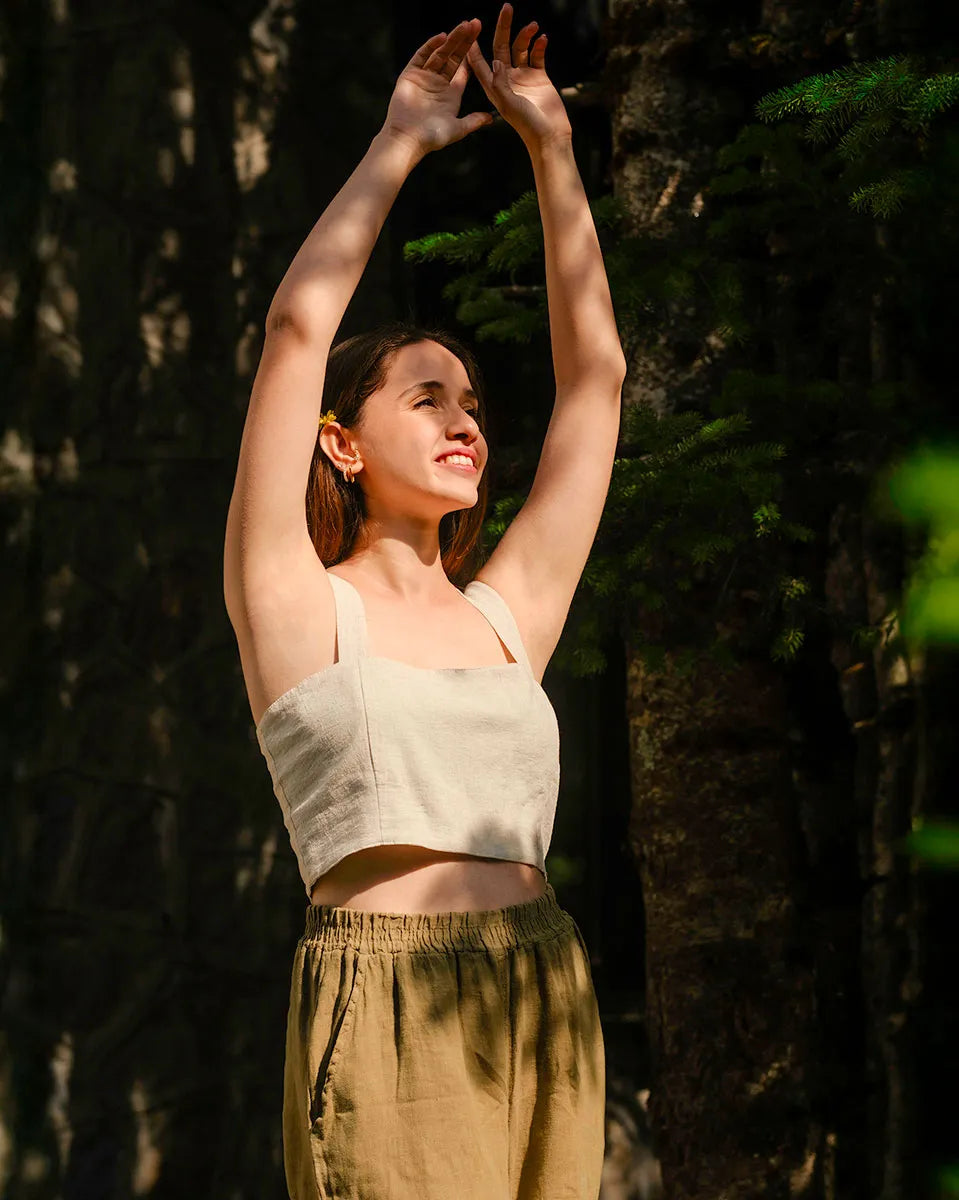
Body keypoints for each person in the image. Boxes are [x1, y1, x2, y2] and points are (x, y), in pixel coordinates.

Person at [223, 6, 627, 1197]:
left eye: (471, 406)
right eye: (426, 399)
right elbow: (296, 330)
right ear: (341, 445)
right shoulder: (298, 605)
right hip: (386, 991)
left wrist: (552, 149)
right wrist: (399, 141)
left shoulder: (505, 617)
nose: (464, 423)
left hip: (542, 983)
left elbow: (595, 382)